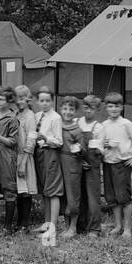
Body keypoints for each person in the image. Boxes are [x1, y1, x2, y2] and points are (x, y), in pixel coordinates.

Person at [95, 92, 132, 238]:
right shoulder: (103, 125)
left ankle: (128, 228)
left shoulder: (126, 124)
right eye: (110, 106)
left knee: (123, 197)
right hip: (108, 163)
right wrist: (103, 146)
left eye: (117, 106)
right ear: (106, 108)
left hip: (122, 164)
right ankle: (118, 225)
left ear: (122, 107)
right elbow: (99, 145)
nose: (114, 109)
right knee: (112, 197)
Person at [33, 87, 65, 235]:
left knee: (53, 191)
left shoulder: (55, 117)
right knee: (45, 190)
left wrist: (46, 138)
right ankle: (46, 223)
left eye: (47, 100)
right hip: (39, 154)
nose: (45, 103)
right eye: (42, 100)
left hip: (51, 153)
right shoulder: (37, 115)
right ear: (38, 101)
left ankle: (53, 226)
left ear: (52, 101)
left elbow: (59, 141)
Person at [0, 87, 21, 233]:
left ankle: (8, 227)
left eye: (2, 99)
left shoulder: (12, 118)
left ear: (9, 101)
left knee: (9, 188)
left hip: (7, 156)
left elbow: (13, 141)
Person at [58, 95, 87, 239]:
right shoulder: (57, 125)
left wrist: (79, 150)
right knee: (62, 194)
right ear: (60, 109)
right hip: (59, 163)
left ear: (75, 112)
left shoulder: (77, 130)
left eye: (71, 109)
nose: (67, 112)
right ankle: (66, 226)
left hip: (72, 164)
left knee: (73, 196)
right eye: (65, 108)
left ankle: (73, 227)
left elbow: (83, 150)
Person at [78, 94, 105, 236]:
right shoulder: (77, 122)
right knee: (79, 196)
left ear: (97, 110)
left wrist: (97, 149)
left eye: (92, 108)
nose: (88, 111)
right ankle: (80, 226)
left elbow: (102, 152)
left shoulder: (99, 127)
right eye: (86, 107)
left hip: (93, 165)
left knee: (93, 196)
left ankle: (94, 228)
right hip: (78, 162)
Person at [13, 85, 39, 231]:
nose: (19, 101)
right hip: (16, 156)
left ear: (28, 99)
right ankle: (19, 222)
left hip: (25, 156)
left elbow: (31, 140)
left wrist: (23, 163)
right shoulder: (17, 114)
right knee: (19, 190)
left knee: (25, 191)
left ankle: (24, 224)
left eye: (22, 98)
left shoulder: (29, 116)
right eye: (17, 98)